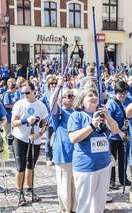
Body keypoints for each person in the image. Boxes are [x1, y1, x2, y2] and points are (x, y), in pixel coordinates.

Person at [67, 85, 119, 213]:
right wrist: (92, 125)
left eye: (96, 95)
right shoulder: (77, 116)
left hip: (104, 165)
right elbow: (73, 138)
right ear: (82, 100)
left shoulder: (102, 115)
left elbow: (115, 130)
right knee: (84, 205)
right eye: (90, 95)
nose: (94, 97)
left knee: (99, 205)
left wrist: (108, 116)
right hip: (86, 167)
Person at [11, 80, 48, 206]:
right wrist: (26, 120)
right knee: (20, 166)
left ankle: (30, 190)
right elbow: (13, 123)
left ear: (34, 91)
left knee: (30, 166)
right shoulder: (19, 104)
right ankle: (19, 192)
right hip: (20, 138)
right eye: (22, 93)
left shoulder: (41, 106)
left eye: (27, 92)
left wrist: (38, 134)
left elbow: (45, 124)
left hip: (34, 139)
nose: (25, 95)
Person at [50, 79, 77, 213]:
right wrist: (59, 86)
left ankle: (74, 209)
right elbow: (52, 102)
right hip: (63, 152)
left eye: (72, 95)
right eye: (68, 96)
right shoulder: (59, 112)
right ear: (62, 99)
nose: (71, 98)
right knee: (64, 185)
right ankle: (66, 209)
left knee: (75, 185)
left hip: (77, 153)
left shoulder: (77, 112)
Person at [106, 80, 132, 190]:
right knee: (112, 159)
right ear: (116, 92)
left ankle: (123, 178)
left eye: (125, 92)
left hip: (125, 135)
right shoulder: (111, 103)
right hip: (113, 136)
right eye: (120, 92)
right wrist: (118, 132)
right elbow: (109, 121)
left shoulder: (128, 101)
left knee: (123, 158)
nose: (123, 95)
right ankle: (111, 180)